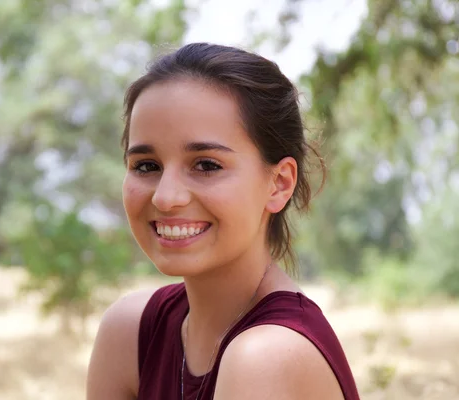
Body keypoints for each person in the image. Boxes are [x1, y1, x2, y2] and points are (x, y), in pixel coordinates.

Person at [86, 42, 360, 400]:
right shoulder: (131, 334)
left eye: (206, 165)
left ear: (279, 184)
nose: (166, 197)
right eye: (147, 166)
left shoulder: (267, 355)